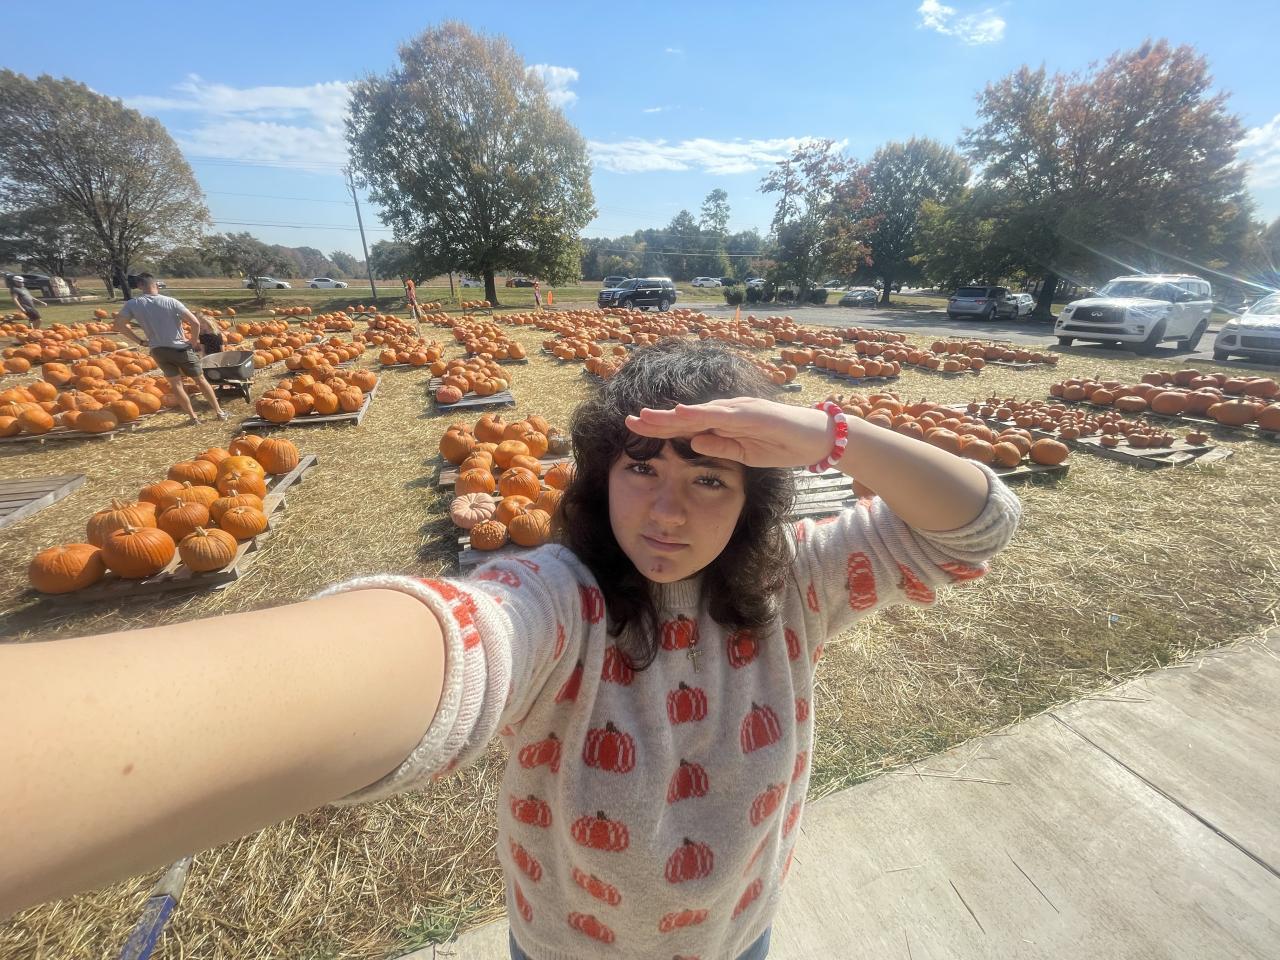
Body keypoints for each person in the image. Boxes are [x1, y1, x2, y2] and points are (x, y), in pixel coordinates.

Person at [0, 340, 1020, 958]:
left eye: (708, 480)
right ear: (599, 477)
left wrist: (830, 434)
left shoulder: (796, 586)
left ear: (753, 498)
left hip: (737, 935)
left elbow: (979, 525)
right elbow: (456, 645)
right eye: (641, 470)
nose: (667, 511)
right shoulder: (558, 603)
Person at [110, 273, 227, 424]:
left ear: (139, 286)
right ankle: (219, 412)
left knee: (176, 384)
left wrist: (140, 341)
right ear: (156, 284)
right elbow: (195, 323)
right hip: (180, 348)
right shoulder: (170, 301)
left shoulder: (133, 304)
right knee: (200, 380)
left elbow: (118, 324)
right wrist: (192, 341)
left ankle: (193, 418)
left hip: (158, 350)